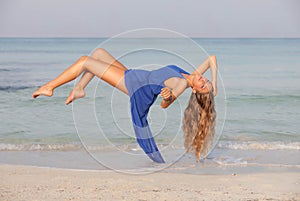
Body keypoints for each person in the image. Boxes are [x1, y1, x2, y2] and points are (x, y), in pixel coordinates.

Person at [32, 48, 218, 163]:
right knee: (99, 53)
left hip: (136, 86)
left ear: (194, 91)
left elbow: (164, 105)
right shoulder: (191, 75)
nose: (203, 80)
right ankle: (80, 88)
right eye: (206, 80)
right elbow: (212, 59)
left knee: (85, 61)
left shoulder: (183, 84)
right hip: (136, 74)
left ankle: (49, 87)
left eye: (203, 86)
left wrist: (168, 97)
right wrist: (214, 86)